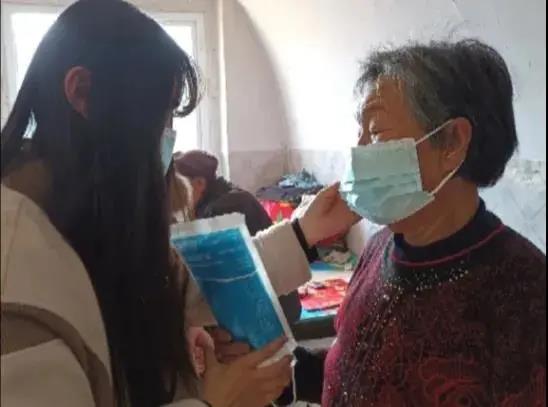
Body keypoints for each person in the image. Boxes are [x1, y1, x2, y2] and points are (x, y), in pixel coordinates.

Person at [0, 1, 359, 406]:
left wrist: (302, 231)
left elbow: (183, 283)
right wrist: (215, 401)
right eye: (161, 115)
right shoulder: (14, 263)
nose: (167, 137)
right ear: (82, 91)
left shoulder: (85, 213)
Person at [244, 40, 547, 406]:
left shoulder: (524, 291)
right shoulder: (380, 248)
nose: (359, 150)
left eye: (376, 133)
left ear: (452, 142)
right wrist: (284, 374)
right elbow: (359, 370)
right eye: (360, 133)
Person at [173, 150, 302, 326]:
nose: (177, 195)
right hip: (280, 301)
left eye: (180, 186)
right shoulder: (229, 197)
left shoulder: (221, 211)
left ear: (199, 183)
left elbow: (221, 283)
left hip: (273, 312)